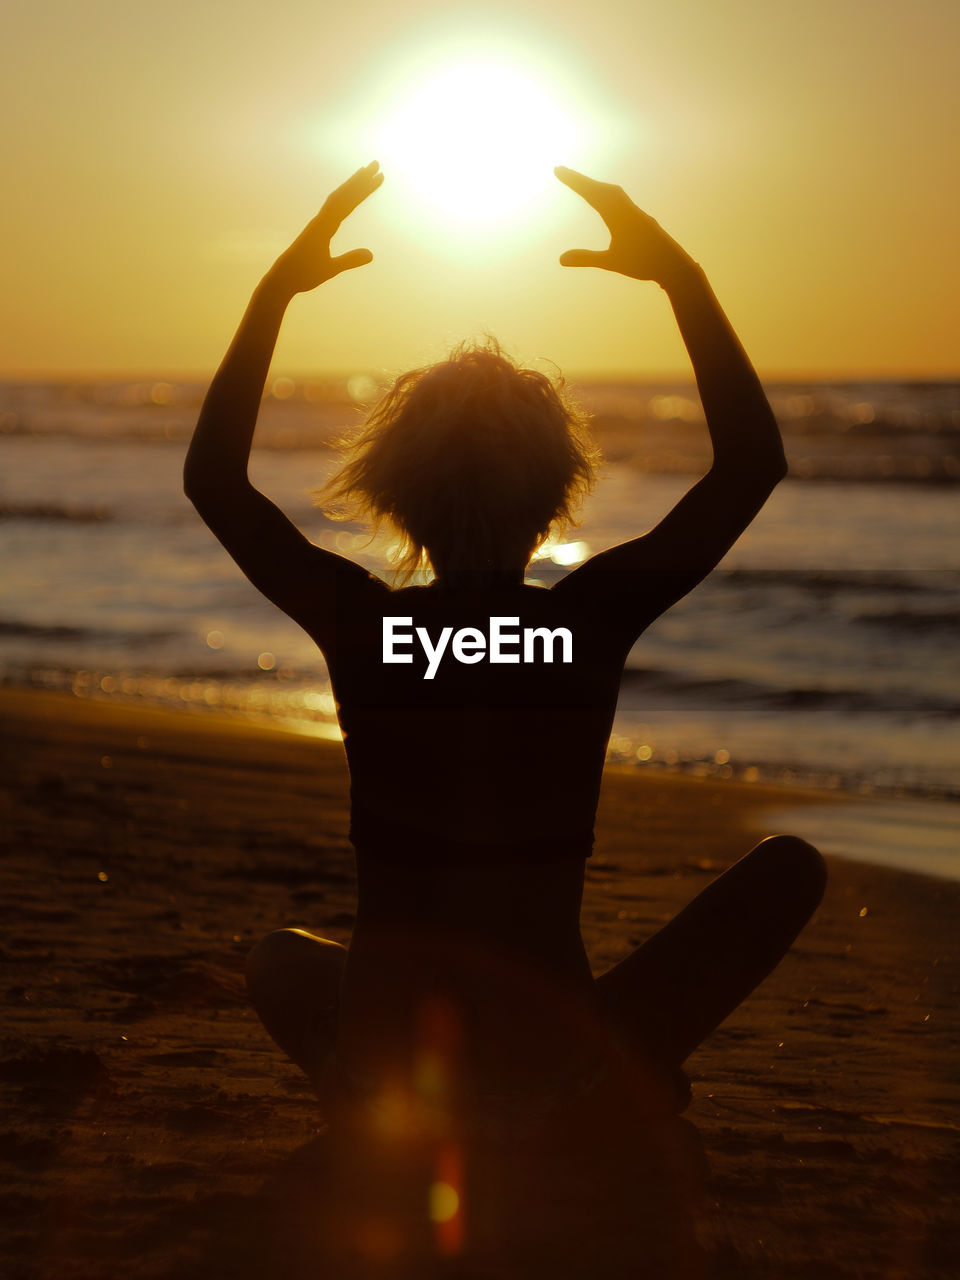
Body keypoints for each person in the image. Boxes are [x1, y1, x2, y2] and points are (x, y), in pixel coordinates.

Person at [183, 161, 827, 1141]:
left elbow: (215, 482)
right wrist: (678, 276)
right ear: (556, 493)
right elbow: (751, 463)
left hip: (384, 1053)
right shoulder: (584, 624)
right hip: (552, 1073)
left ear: (395, 497)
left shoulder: (367, 626)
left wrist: (277, 290)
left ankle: (383, 1097)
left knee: (280, 956)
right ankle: (609, 1081)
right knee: (789, 866)